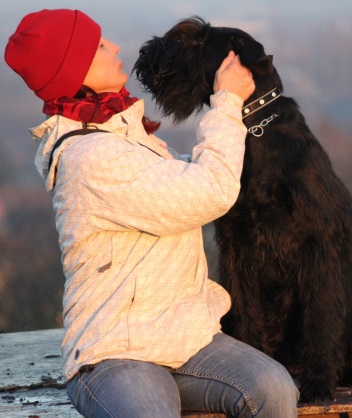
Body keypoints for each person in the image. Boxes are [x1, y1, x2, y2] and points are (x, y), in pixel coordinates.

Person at [5, 9, 299, 418]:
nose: (116, 47)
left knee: (274, 389)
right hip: (116, 354)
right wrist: (227, 102)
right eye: (101, 45)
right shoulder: (90, 157)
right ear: (78, 70)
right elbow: (208, 190)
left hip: (187, 338)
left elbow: (191, 174)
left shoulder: (125, 136)